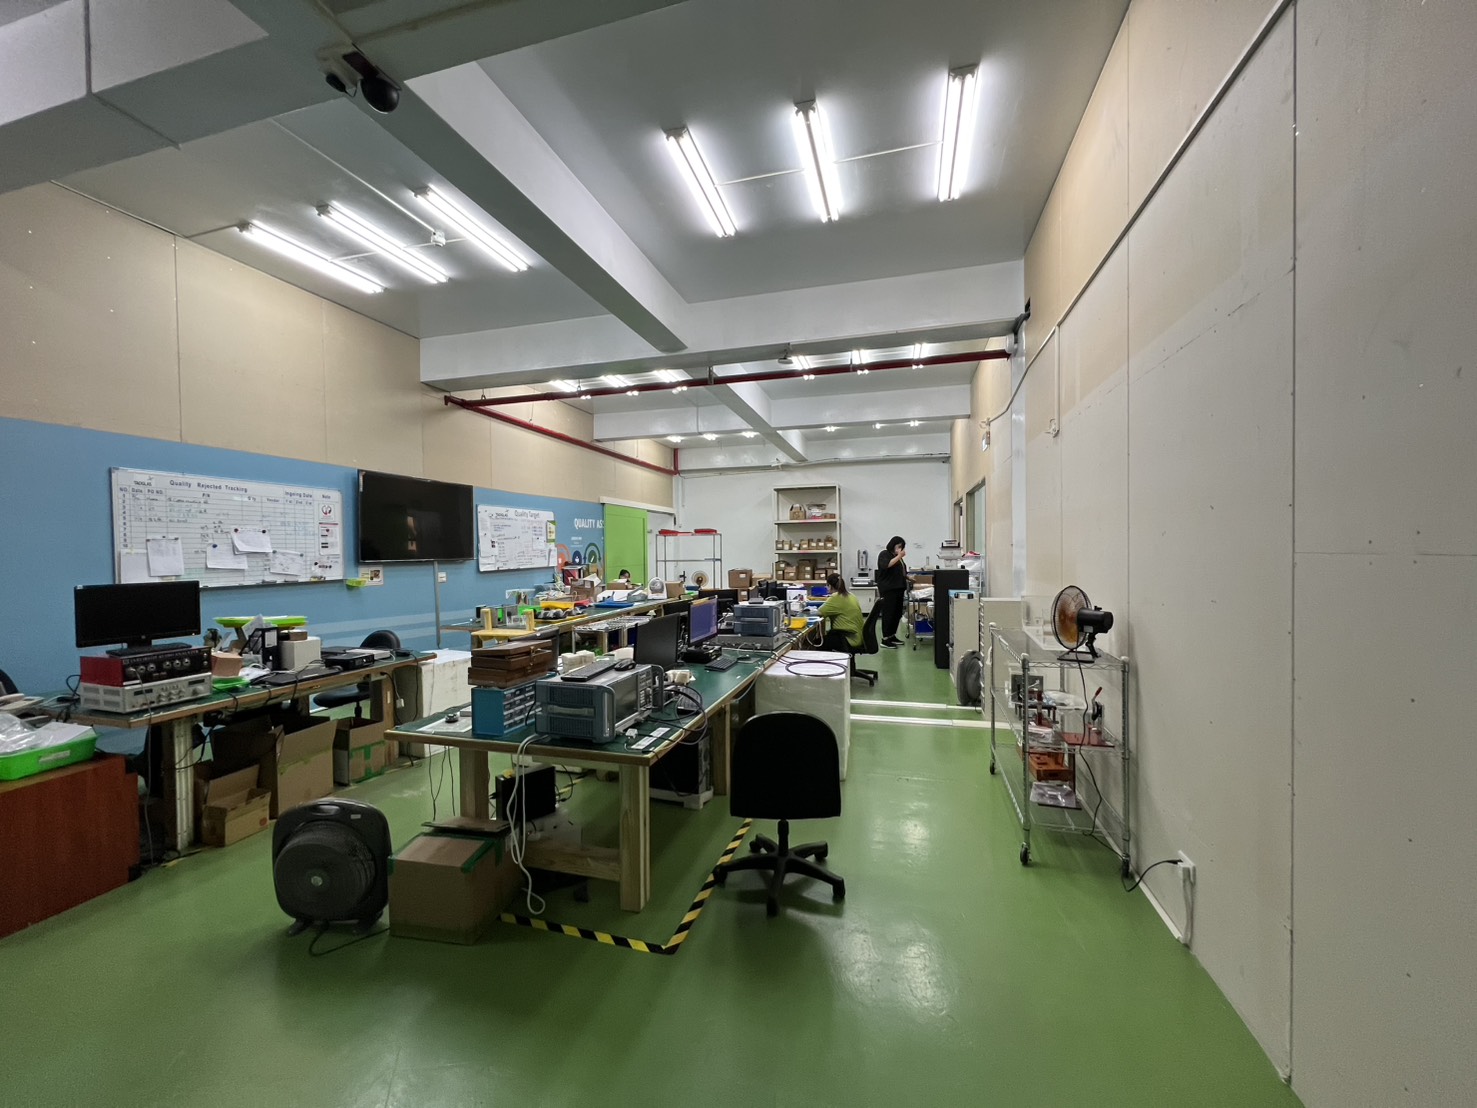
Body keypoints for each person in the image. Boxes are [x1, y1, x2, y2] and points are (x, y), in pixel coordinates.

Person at [875, 536, 908, 647]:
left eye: (902, 547)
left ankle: (891, 635)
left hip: (899, 588)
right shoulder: (884, 554)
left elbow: (900, 570)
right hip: (889, 589)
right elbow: (887, 565)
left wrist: (908, 578)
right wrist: (899, 556)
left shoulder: (897, 558)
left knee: (896, 613)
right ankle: (885, 639)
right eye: (898, 546)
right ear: (892, 545)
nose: (900, 549)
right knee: (889, 613)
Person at [818, 574, 864, 652]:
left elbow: (819, 612)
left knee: (818, 643)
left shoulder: (835, 597)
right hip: (857, 636)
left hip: (847, 638)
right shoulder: (851, 595)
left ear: (830, 586)